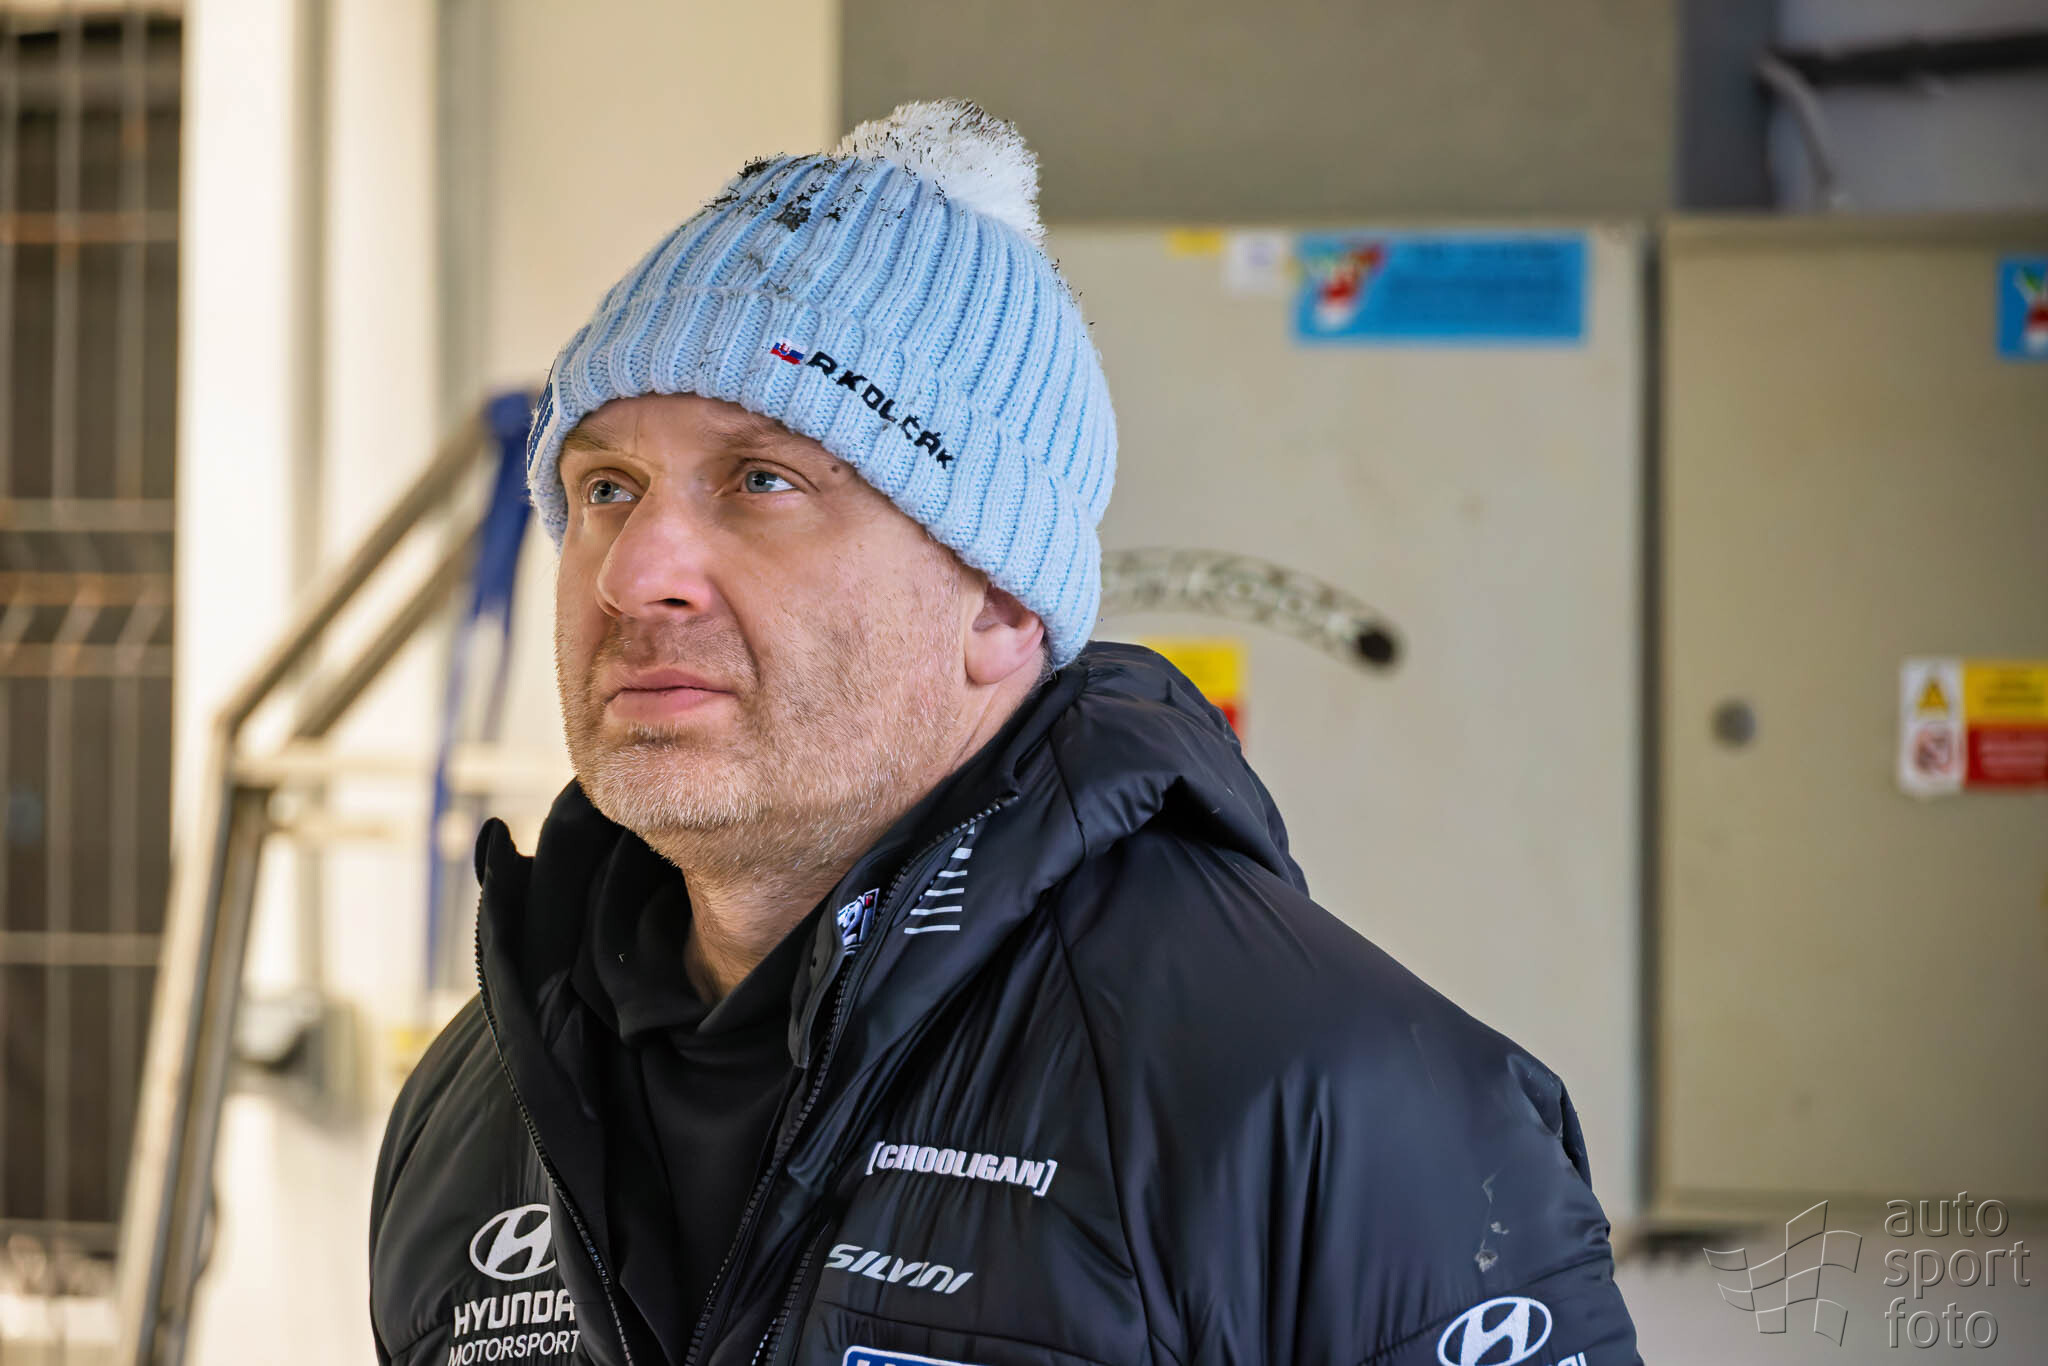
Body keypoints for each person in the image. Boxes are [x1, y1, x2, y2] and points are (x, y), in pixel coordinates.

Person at [369, 100, 1640, 1366]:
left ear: (998, 601)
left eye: (762, 481)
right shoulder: (481, 1106)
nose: (634, 572)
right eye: (605, 488)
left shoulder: (1321, 1104)